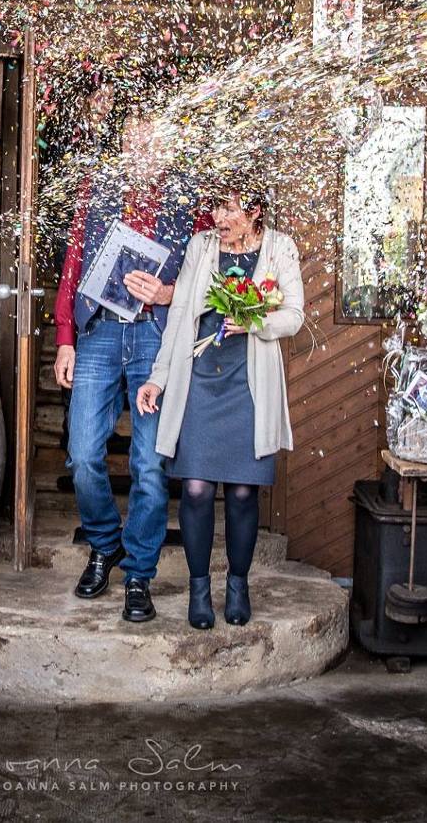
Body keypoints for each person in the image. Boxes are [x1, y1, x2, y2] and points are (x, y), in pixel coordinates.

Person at [53, 100, 199, 623]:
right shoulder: (95, 192)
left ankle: (139, 572)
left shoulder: (191, 201)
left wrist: (168, 293)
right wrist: (65, 336)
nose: (145, 146)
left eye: (155, 137)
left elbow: (208, 279)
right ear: (124, 141)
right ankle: (104, 543)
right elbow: (73, 265)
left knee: (149, 465)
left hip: (155, 340)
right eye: (137, 136)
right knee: (83, 455)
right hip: (97, 336)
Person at [136, 189, 303, 628]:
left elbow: (295, 315)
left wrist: (256, 321)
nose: (219, 218)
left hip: (247, 384)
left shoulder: (280, 247)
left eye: (230, 209)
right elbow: (179, 319)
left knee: (244, 491)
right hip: (200, 381)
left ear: (255, 212)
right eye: (216, 208)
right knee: (195, 489)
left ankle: (238, 585)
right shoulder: (201, 246)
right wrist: (158, 376)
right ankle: (199, 589)